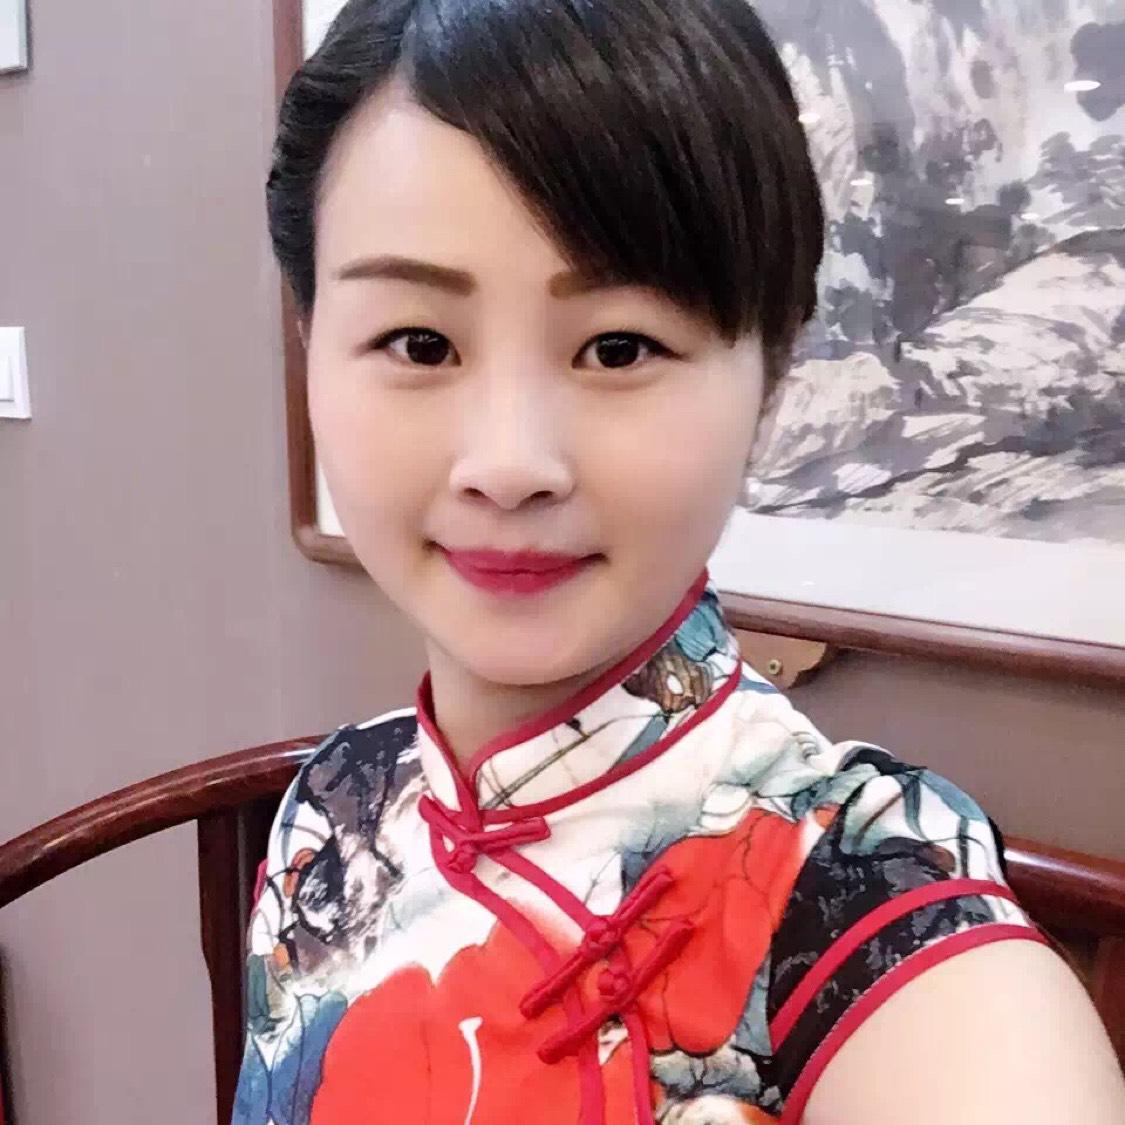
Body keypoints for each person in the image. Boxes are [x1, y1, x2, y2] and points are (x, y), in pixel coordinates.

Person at [234, 1, 1125, 1121]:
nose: (509, 465)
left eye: (619, 347)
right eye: (420, 342)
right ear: (312, 346)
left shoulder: (855, 904)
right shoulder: (330, 805)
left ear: (772, 380)